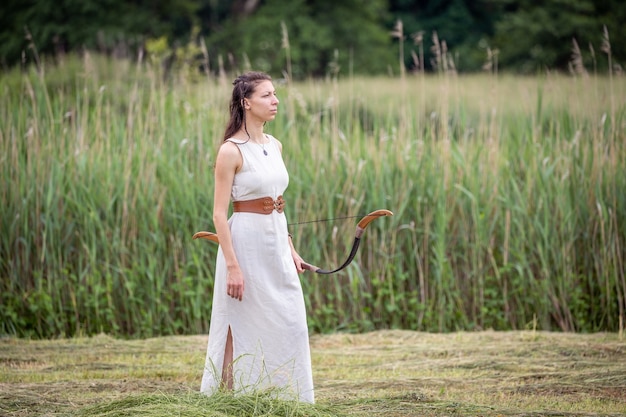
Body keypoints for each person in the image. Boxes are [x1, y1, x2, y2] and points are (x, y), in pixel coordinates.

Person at [200, 71, 315, 403]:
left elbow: (279, 203)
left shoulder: (275, 144)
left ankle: (286, 397)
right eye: (267, 95)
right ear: (246, 102)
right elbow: (219, 214)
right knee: (239, 321)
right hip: (244, 245)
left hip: (276, 242)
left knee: (291, 320)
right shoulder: (231, 151)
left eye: (275, 94)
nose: (275, 100)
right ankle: (226, 399)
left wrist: (291, 249)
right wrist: (233, 267)